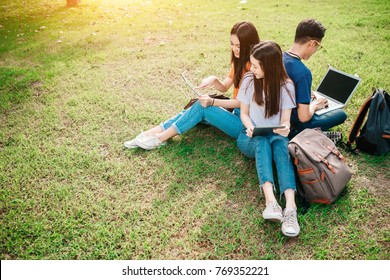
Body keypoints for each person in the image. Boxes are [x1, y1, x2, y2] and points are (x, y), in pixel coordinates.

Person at [124, 21, 260, 150]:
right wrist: (214, 80)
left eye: (239, 46)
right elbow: (224, 87)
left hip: (244, 125)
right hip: (236, 115)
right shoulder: (239, 61)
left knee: (202, 107)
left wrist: (212, 102)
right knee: (190, 110)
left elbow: (243, 104)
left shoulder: (255, 68)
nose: (234, 49)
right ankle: (149, 134)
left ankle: (160, 138)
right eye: (232, 44)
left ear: (250, 45)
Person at [237, 41, 300, 237]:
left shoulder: (286, 86)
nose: (251, 68)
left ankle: (290, 208)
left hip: (276, 135)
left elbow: (285, 121)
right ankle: (271, 202)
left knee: (281, 147)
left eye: (256, 65)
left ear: (269, 66)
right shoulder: (248, 80)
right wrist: (251, 127)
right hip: (250, 136)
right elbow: (244, 113)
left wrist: (285, 128)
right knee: (262, 142)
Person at [283, 18, 347, 139]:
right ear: (313, 43)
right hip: (292, 126)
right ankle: (307, 135)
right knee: (341, 114)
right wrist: (315, 105)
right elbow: (303, 117)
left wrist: (304, 95)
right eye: (318, 47)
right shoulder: (303, 73)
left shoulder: (277, 56)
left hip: (273, 118)